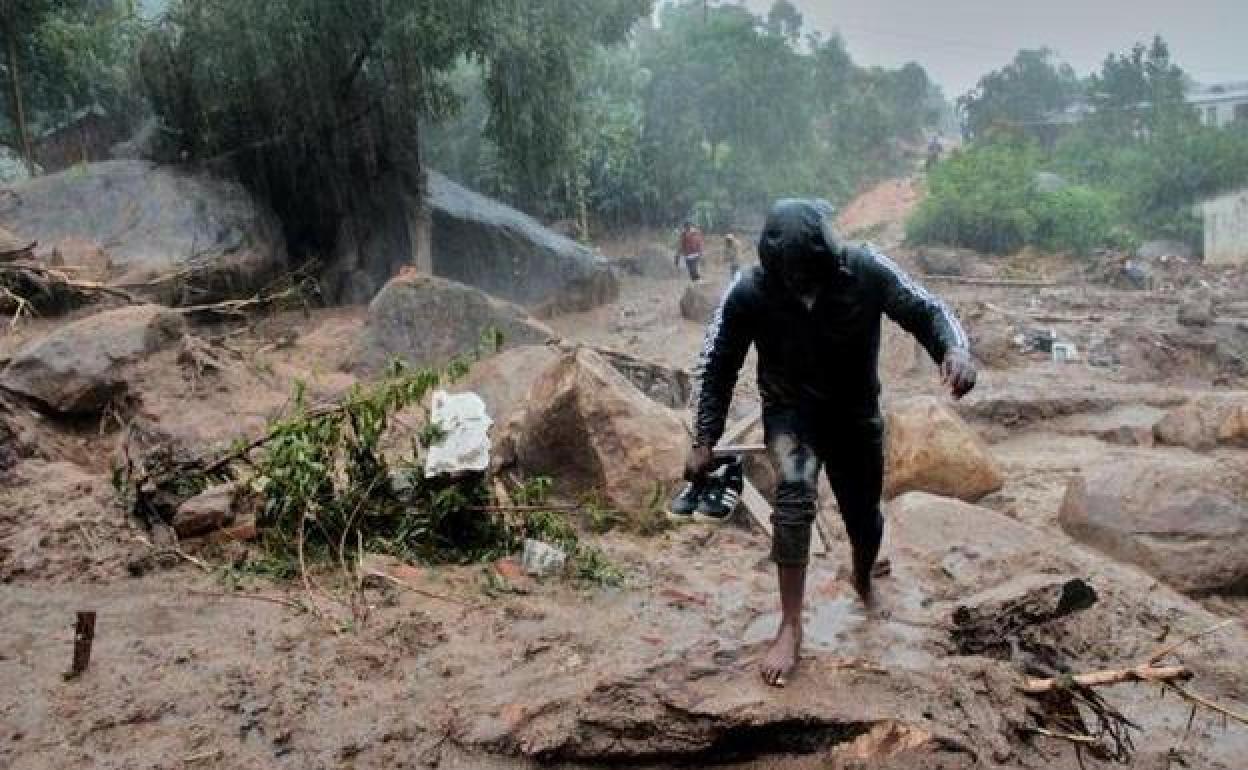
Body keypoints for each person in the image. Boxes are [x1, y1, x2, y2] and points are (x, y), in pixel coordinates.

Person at [684, 199, 976, 687]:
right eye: (790, 279)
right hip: (790, 414)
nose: (801, 287)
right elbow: (716, 364)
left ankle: (862, 575)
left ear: (829, 258)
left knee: (864, 519)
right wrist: (705, 437)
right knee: (793, 499)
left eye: (810, 276)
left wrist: (955, 349)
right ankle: (790, 625)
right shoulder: (749, 290)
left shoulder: (865, 267)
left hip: (855, 413)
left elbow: (926, 308)